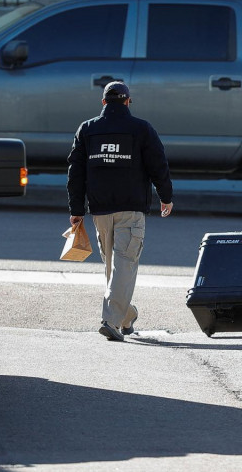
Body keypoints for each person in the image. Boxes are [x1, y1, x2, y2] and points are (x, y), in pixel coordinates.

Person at [67, 81, 174, 342]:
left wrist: (76, 209)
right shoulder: (141, 129)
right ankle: (114, 320)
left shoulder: (88, 129)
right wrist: (166, 197)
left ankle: (123, 316)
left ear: (104, 102)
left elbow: (75, 172)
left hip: (100, 210)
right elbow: (158, 165)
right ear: (128, 101)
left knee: (113, 267)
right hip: (131, 208)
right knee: (124, 264)